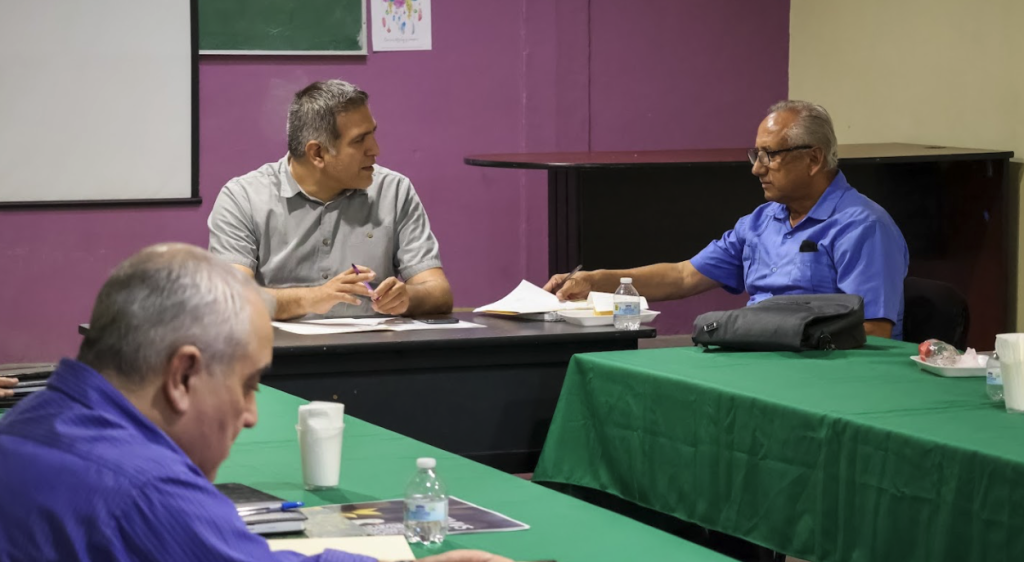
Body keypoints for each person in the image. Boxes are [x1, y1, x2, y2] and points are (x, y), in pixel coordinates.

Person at [0, 244, 509, 562]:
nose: (250, 415)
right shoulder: (145, 490)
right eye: (246, 384)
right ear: (182, 375)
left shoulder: (26, 423)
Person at [545, 100, 909, 339]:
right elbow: (683, 276)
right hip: (759, 355)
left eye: (770, 155)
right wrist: (595, 281)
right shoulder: (761, 221)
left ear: (813, 159)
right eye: (756, 155)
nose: (756, 169)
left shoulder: (862, 227)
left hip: (817, 371)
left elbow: (874, 331)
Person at [209, 79, 452, 320]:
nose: (375, 150)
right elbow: (232, 300)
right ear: (317, 153)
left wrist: (407, 298)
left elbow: (439, 293)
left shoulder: (394, 191)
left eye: (372, 134)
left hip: (373, 344)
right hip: (279, 345)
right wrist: (313, 298)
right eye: (359, 140)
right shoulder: (243, 198)